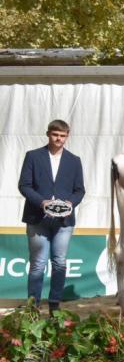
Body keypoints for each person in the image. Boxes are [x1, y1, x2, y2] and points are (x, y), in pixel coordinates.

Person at [18, 119, 85, 315]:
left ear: (67, 136)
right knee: (38, 264)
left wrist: (70, 203)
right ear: (48, 134)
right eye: (56, 135)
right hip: (37, 218)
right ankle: (33, 306)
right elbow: (24, 185)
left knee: (59, 263)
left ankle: (55, 303)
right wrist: (42, 202)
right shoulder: (33, 156)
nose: (59, 139)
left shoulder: (74, 160)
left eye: (63, 136)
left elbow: (80, 190)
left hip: (64, 222)